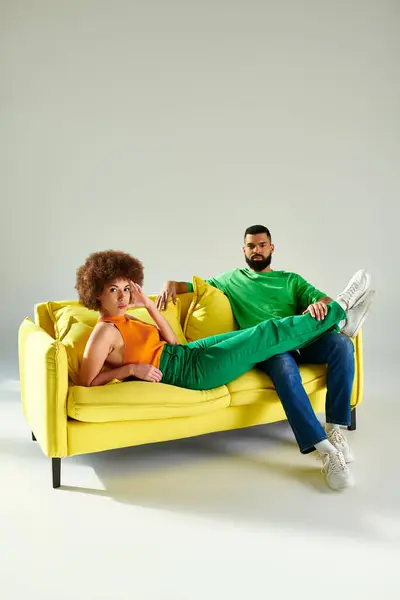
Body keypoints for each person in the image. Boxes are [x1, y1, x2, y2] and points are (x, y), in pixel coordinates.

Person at [76, 249, 374, 491]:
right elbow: (85, 380)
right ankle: (341, 310)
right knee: (267, 333)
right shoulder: (103, 332)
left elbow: (172, 341)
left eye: (127, 289)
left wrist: (149, 306)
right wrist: (130, 369)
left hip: (186, 353)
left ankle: (338, 321)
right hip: (192, 373)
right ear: (96, 295)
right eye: (113, 290)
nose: (122, 297)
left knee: (261, 329)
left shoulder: (128, 319)